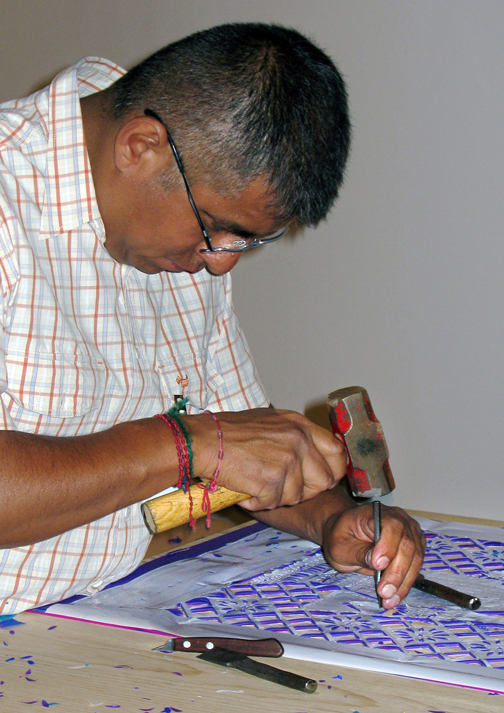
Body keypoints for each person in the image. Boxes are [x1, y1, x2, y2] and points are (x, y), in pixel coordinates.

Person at [0, 22, 425, 616]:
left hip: (89, 618)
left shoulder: (185, 246)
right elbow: (204, 445)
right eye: (215, 230)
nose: (222, 264)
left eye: (247, 242)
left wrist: (335, 517)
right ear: (140, 149)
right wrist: (184, 444)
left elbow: (243, 455)